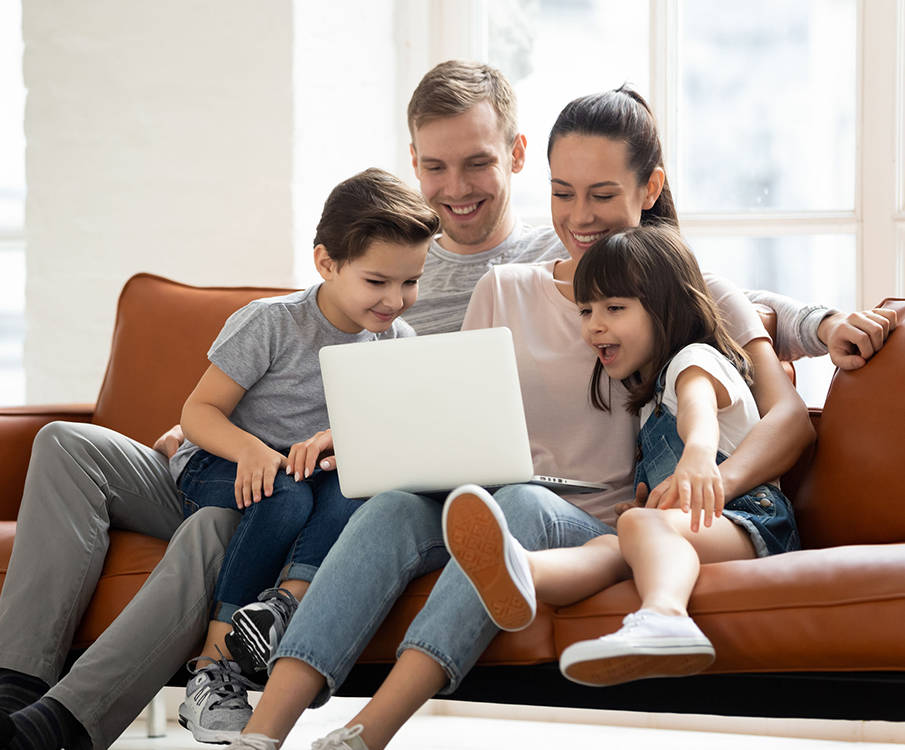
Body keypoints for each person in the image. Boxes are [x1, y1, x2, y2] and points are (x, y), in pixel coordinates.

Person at [0, 60, 891, 750]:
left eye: (477, 164)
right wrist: (220, 431)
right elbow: (362, 352)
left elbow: (722, 318)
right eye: (434, 167)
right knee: (384, 500)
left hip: (536, 497)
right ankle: (254, 726)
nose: (456, 189)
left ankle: (336, 708)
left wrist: (825, 322)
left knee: (456, 506)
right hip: (349, 468)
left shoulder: (623, 271)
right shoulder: (421, 270)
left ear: (511, 157)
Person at [443, 224, 802, 690]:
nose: (594, 324)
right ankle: (521, 570)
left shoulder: (694, 361)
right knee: (612, 545)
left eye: (615, 308)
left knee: (635, 529)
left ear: (666, 308)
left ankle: (665, 617)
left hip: (753, 520)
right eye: (586, 309)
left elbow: (699, 412)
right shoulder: (650, 396)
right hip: (704, 524)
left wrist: (696, 455)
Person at [171, 168, 437, 743]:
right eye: (376, 281)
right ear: (327, 264)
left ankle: (283, 609)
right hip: (218, 464)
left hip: (311, 477)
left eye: (411, 281)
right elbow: (198, 413)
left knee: (358, 484)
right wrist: (251, 451)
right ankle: (212, 668)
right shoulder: (272, 323)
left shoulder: (397, 343)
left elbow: (385, 437)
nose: (396, 300)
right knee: (285, 492)